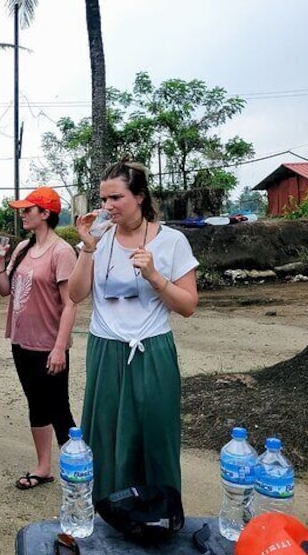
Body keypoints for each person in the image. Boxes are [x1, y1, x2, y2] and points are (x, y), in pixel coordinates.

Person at [67, 157, 199, 504]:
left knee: (155, 435)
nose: (107, 207)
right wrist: (88, 248)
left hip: (152, 349)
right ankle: (107, 511)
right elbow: (76, 294)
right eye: (103, 199)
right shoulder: (98, 239)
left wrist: (155, 276)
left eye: (116, 198)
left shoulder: (171, 241)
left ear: (139, 196)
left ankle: (158, 511)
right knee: (106, 435)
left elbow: (187, 306)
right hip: (106, 348)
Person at [0, 187, 78, 490]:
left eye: (28, 209)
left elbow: (70, 303)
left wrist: (59, 348)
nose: (23, 214)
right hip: (21, 341)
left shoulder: (62, 252)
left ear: (45, 214)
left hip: (49, 344)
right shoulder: (23, 247)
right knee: (36, 404)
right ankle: (43, 468)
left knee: (59, 409)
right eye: (23, 209)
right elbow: (4, 291)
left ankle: (79, 472)